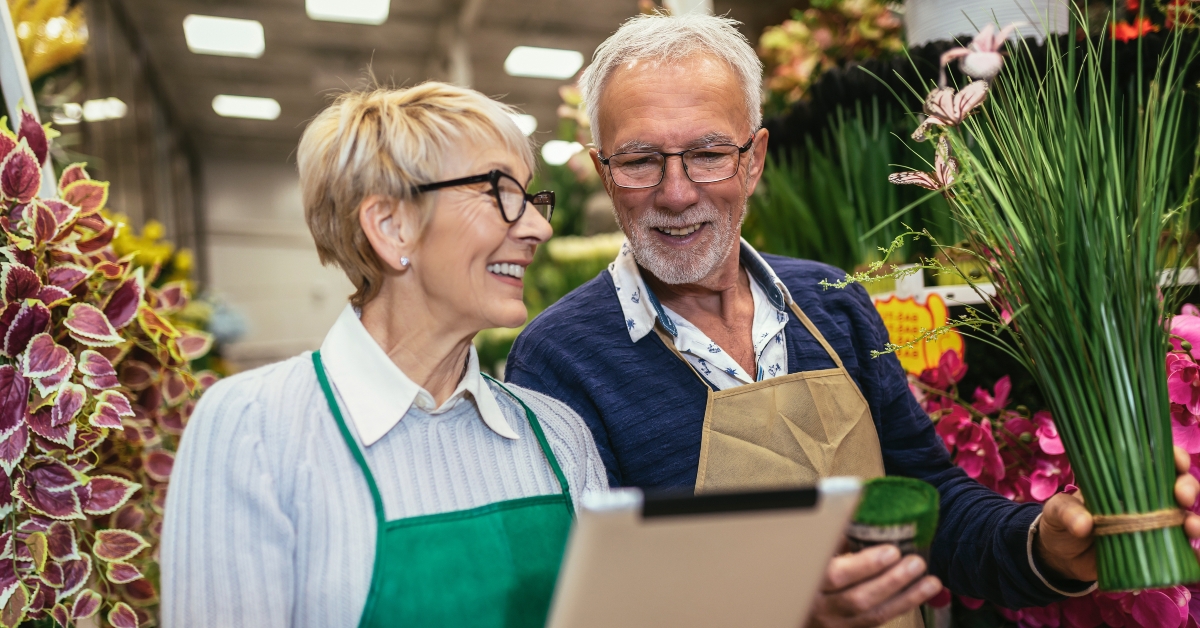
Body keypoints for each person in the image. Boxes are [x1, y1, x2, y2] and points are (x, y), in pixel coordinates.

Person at [505, 13, 1200, 628]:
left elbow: (933, 504)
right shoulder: (561, 356)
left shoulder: (832, 300)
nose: (678, 191)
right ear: (601, 170)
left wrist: (1044, 542)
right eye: (640, 160)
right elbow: (586, 602)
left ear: (755, 160)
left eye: (710, 153)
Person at [162, 83, 606, 627]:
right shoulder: (255, 430)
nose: (539, 226)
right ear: (391, 225)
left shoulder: (559, 438)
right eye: (500, 191)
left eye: (532, 198)